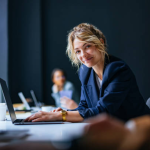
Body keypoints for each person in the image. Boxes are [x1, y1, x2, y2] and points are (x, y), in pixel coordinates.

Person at [25, 23, 150, 123]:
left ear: (100, 43)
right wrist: (64, 112)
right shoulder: (85, 72)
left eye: (87, 46)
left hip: (138, 131)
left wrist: (62, 115)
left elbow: (103, 110)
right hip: (111, 131)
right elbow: (84, 107)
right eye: (78, 51)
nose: (83, 55)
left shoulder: (118, 70)